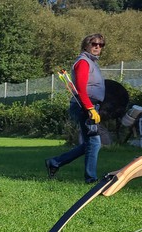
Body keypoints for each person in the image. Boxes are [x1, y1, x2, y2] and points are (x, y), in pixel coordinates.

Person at [45, 34, 106, 183]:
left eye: (101, 44)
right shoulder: (83, 62)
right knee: (94, 142)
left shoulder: (91, 62)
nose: (97, 47)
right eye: (94, 44)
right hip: (85, 106)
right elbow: (81, 89)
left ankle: (54, 162)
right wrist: (90, 108)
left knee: (89, 144)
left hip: (90, 105)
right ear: (86, 45)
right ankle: (90, 178)